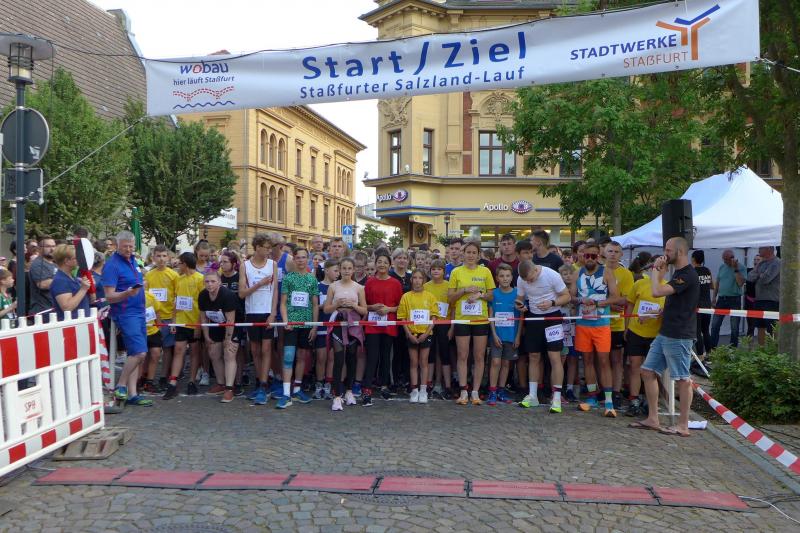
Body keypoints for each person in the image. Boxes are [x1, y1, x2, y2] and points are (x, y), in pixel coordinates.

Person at [632, 237, 699, 437]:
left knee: (682, 379)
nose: (665, 254)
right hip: (666, 332)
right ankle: (653, 418)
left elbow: (656, 291)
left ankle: (683, 424)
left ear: (680, 252)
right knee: (647, 371)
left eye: (668, 250)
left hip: (679, 334)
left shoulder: (687, 275)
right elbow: (675, 303)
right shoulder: (678, 273)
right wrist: (655, 314)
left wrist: (655, 271)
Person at [101, 232, 150, 406]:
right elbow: (109, 296)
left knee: (135, 354)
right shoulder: (112, 265)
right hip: (126, 313)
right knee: (139, 352)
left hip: (139, 311)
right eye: (125, 246)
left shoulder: (133, 261)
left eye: (131, 246)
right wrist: (127, 293)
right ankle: (120, 385)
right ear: (117, 245)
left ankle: (133, 394)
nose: (128, 249)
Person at [515, 260, 571, 413]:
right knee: (533, 356)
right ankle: (533, 395)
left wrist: (552, 302)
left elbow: (567, 296)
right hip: (534, 318)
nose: (529, 282)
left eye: (531, 279)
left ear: (535, 270)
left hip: (552, 317)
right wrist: (520, 305)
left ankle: (557, 398)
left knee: (554, 357)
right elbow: (519, 299)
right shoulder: (521, 279)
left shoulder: (551, 275)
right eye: (526, 281)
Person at [571, 242, 619, 417]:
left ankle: (608, 401)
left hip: (601, 324)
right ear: (582, 256)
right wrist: (580, 300)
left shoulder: (606, 272)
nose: (590, 258)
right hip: (583, 323)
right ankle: (592, 396)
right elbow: (571, 295)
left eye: (593, 255)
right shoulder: (577, 273)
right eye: (587, 255)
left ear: (598, 256)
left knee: (604, 361)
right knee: (587, 360)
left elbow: (615, 297)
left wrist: (598, 303)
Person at [448, 240, 495, 406]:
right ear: (463, 254)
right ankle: (463, 391)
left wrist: (480, 295)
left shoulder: (485, 271)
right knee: (462, 355)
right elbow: (450, 298)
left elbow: (491, 296)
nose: (471, 255)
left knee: (479, 356)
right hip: (462, 319)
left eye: (474, 253)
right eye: (468, 252)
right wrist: (464, 290)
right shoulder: (456, 272)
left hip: (480, 319)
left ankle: (475, 391)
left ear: (478, 255)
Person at [238, 233, 279, 405]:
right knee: (255, 350)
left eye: (270, 248)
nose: (269, 251)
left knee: (267, 349)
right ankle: (260, 381)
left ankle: (263, 384)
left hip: (267, 311)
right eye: (266, 248)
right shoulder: (245, 266)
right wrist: (260, 284)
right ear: (257, 247)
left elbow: (275, 291)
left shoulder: (272, 264)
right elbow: (242, 293)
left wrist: (273, 313)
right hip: (252, 311)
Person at [277, 247, 319, 409]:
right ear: (294, 259)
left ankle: (297, 390)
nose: (301, 260)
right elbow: (282, 303)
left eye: (303, 257)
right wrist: (286, 321)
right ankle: (286, 393)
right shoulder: (288, 278)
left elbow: (315, 305)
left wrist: (314, 326)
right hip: (291, 324)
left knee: (302, 356)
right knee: (288, 357)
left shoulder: (312, 279)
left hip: (306, 324)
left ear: (308, 259)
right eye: (298, 258)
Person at [324, 257, 367, 411]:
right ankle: (337, 395)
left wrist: (354, 305)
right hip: (338, 323)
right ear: (339, 270)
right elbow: (326, 309)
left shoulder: (359, 288)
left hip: (353, 325)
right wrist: (336, 304)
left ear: (353, 270)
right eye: (344, 268)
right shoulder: (333, 287)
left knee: (351, 357)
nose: (347, 271)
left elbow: (364, 310)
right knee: (338, 358)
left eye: (349, 268)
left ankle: (349, 391)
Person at [362, 250, 403, 406]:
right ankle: (367, 388)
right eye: (379, 262)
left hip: (389, 324)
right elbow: (363, 304)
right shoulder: (369, 282)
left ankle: (384, 385)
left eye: (385, 262)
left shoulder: (395, 283)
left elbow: (401, 306)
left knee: (386, 356)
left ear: (390, 265)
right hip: (372, 325)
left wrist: (389, 309)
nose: (382, 265)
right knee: (372, 356)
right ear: (375, 263)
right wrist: (372, 307)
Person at [162, 252, 205, 400]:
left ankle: (191, 381)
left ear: (185, 264)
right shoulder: (179, 279)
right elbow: (176, 301)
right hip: (181, 321)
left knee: (194, 352)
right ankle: (173, 382)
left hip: (194, 322)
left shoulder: (200, 279)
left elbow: (202, 305)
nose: (177, 266)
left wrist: (199, 325)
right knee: (178, 350)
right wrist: (173, 321)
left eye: (179, 263)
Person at [624, 270, 666, 417]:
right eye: (656, 268)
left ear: (667, 270)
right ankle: (634, 400)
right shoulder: (640, 284)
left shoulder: (668, 287)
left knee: (651, 370)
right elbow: (630, 305)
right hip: (636, 331)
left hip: (655, 334)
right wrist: (626, 326)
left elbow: (668, 310)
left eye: (662, 268)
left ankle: (650, 402)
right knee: (634, 366)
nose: (658, 271)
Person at [398, 270, 439, 404]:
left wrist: (426, 333)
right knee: (413, 362)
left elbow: (434, 317)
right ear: (411, 280)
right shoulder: (406, 297)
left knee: (424, 361)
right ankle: (414, 389)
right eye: (414, 278)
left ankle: (423, 390)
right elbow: (402, 317)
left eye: (420, 278)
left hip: (426, 333)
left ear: (424, 280)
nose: (417, 280)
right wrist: (409, 334)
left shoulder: (430, 297)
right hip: (412, 334)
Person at [199, 271, 239, 403]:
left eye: (213, 281)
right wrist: (206, 336)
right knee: (213, 353)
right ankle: (221, 383)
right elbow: (203, 318)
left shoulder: (228, 295)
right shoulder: (202, 295)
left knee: (229, 353)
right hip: (216, 324)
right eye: (207, 282)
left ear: (219, 282)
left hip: (233, 325)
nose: (209, 284)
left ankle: (229, 389)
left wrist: (228, 339)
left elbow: (230, 320)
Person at [144, 245, 179, 392]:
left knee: (167, 348)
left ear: (168, 258)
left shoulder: (173, 275)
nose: (161, 259)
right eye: (158, 256)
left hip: (168, 317)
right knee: (151, 350)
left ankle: (164, 376)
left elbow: (177, 297)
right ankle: (145, 377)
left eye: (164, 256)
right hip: (152, 318)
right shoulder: (149, 275)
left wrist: (174, 319)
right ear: (153, 258)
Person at [604, 241, 634, 410]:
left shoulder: (626, 274)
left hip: (617, 324)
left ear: (621, 254)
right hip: (599, 322)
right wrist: (610, 304)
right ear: (604, 252)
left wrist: (609, 303)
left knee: (616, 360)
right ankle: (604, 389)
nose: (613, 254)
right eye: (610, 251)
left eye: (616, 252)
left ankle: (616, 391)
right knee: (601, 360)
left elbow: (627, 299)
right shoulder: (599, 271)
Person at [487, 263, 521, 406]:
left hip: (512, 335)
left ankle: (501, 390)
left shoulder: (518, 293)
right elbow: (491, 316)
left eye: (508, 276)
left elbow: (521, 317)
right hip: (497, 335)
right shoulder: (493, 294)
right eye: (502, 276)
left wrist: (518, 336)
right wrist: (494, 335)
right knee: (495, 362)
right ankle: (492, 391)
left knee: (506, 364)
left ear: (512, 277)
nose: (505, 278)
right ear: (497, 278)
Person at [424, 259, 453, 400]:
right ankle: (429, 384)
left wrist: (452, 327)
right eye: (433, 269)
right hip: (429, 324)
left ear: (444, 271)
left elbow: (453, 307)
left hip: (444, 323)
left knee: (444, 354)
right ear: (430, 271)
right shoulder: (425, 286)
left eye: (439, 269)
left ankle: (447, 386)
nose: (436, 271)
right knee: (430, 355)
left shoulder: (449, 286)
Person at [219, 251, 247, 395]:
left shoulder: (239, 277)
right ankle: (225, 381)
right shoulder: (218, 278)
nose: (222, 264)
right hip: (221, 319)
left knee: (237, 350)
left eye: (225, 262)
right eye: (221, 262)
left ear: (233, 263)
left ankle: (239, 381)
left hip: (238, 318)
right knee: (224, 349)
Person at [314, 259, 339, 400]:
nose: (338, 273)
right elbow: (313, 306)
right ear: (327, 270)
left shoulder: (338, 287)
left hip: (334, 327)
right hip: (321, 327)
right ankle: (319, 384)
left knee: (331, 358)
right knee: (321, 357)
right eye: (335, 270)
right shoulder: (318, 286)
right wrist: (322, 306)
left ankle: (328, 385)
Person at [710, 249, 746, 348]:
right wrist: (714, 297)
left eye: (727, 259)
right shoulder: (722, 267)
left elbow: (740, 283)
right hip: (722, 299)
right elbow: (717, 283)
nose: (725, 261)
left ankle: (732, 350)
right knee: (715, 325)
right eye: (724, 259)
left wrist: (736, 269)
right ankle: (712, 349)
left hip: (734, 299)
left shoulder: (741, 267)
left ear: (732, 258)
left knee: (734, 327)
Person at [389, 248, 412, 393]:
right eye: (399, 258)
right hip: (395, 318)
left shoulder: (411, 277)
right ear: (394, 260)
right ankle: (395, 379)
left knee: (408, 351)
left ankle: (407, 379)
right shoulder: (390, 276)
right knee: (396, 351)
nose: (402, 260)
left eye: (404, 258)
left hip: (410, 319)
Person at [748, 246, 781, 345]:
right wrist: (760, 273)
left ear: (769, 249)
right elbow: (750, 277)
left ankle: (773, 350)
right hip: (759, 300)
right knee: (760, 327)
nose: (759, 250)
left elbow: (766, 279)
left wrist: (758, 275)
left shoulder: (777, 262)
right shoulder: (761, 263)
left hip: (771, 301)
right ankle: (761, 350)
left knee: (773, 328)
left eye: (761, 248)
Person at [50, 244, 92, 321]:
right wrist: (83, 289)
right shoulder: (60, 280)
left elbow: (89, 300)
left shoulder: (72, 277)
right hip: (72, 324)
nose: (79, 260)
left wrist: (90, 287)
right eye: (76, 258)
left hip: (81, 322)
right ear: (67, 261)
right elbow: (67, 307)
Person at [28, 236, 58, 319]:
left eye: (53, 246)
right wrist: (63, 279)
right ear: (39, 248)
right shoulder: (37, 264)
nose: (52, 249)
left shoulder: (55, 264)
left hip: (54, 310)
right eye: (48, 246)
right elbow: (43, 284)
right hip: (43, 312)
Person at [691, 250, 713, 358]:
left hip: (697, 305)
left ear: (693, 259)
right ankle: (709, 353)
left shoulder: (692, 272)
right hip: (707, 304)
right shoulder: (707, 270)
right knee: (706, 330)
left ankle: (700, 355)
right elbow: (712, 286)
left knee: (697, 331)